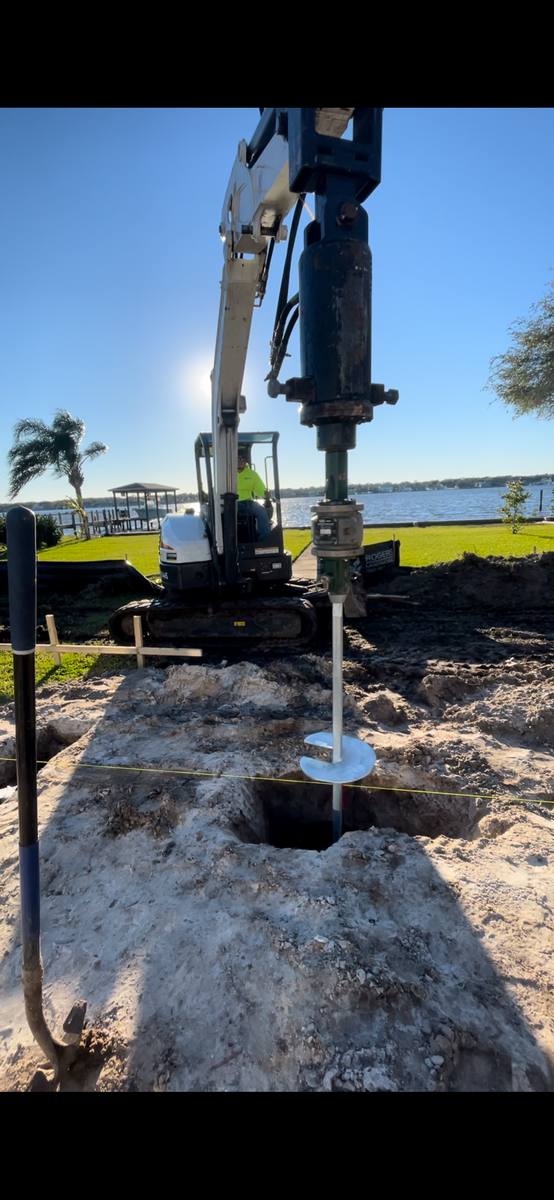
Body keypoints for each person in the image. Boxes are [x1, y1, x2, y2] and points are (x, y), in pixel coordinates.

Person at [237, 451, 272, 541]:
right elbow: (217, 489)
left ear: (246, 461)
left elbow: (260, 489)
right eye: (238, 459)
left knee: (261, 510)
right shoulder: (226, 474)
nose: (240, 461)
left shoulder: (252, 474)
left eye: (242, 459)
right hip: (231, 503)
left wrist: (266, 493)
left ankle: (264, 540)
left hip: (248, 502)